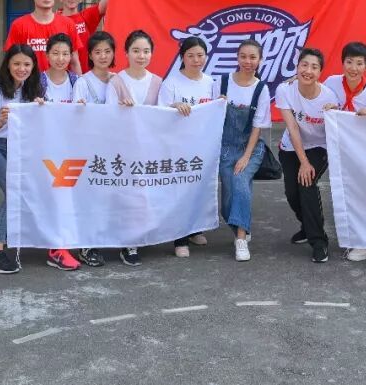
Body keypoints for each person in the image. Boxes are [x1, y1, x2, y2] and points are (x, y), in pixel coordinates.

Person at [0, 45, 63, 272]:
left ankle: (6, 245)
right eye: (16, 64)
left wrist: (41, 111)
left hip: (19, 147)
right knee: (14, 189)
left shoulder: (33, 90)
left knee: (21, 190)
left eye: (26, 64)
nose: (21, 69)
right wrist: (0, 122)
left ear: (33, 67)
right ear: (8, 65)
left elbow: (46, 123)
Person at [321, 41, 366, 264]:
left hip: (364, 153)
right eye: (349, 62)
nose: (353, 68)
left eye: (359, 63)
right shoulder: (331, 84)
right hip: (337, 151)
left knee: (364, 195)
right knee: (344, 195)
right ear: (342, 63)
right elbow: (316, 100)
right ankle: (353, 237)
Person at [275, 47, 342, 264]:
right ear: (297, 67)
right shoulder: (285, 90)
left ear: (320, 72)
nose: (308, 71)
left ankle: (319, 241)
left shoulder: (328, 96)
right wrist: (303, 161)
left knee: (307, 184)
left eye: (314, 67)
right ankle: (307, 225)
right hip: (291, 146)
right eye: (304, 65)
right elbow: (293, 128)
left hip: (319, 146)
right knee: (291, 192)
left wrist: (307, 164)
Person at [106, 30, 164, 267]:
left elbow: (163, 116)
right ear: (126, 53)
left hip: (148, 150)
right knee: (127, 196)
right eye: (136, 50)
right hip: (123, 150)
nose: (141, 56)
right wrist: (121, 109)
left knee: (145, 196)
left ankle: (140, 236)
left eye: (146, 51)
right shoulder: (116, 82)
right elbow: (108, 116)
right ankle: (128, 243)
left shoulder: (158, 82)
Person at [158, 36, 220, 258]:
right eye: (190, 55)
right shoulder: (171, 83)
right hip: (178, 147)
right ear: (182, 57)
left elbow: (214, 113)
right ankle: (179, 238)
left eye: (200, 55)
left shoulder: (210, 83)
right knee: (179, 193)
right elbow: (159, 115)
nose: (196, 60)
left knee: (198, 190)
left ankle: (194, 230)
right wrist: (174, 105)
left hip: (202, 146)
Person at [217, 39, 271, 262]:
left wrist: (246, 157)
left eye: (253, 57)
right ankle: (241, 225)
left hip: (251, 147)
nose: (248, 61)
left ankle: (241, 239)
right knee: (227, 197)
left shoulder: (261, 89)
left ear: (260, 60)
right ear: (237, 58)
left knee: (240, 180)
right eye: (243, 56)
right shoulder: (222, 82)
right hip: (224, 147)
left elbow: (258, 126)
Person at [71, 31, 118, 267]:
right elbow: (75, 118)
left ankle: (109, 239)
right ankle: (87, 245)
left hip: (114, 149)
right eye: (97, 52)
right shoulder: (83, 82)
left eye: (107, 51)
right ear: (89, 55)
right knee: (89, 198)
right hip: (89, 150)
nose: (103, 56)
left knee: (110, 198)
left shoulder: (119, 80)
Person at [37, 33, 83, 270]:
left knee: (68, 199)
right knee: (54, 198)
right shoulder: (37, 81)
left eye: (65, 54)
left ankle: (63, 245)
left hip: (70, 151)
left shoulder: (77, 82)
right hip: (44, 152)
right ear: (46, 55)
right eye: (55, 53)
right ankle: (56, 248)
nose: (60, 58)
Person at [4, 0, 82, 74]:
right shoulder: (19, 25)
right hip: (29, 81)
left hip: (59, 81)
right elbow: (11, 60)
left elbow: (74, 62)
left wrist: (80, 82)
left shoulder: (68, 24)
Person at [58, 0, 108, 74]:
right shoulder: (54, 20)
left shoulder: (85, 16)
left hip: (85, 73)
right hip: (60, 75)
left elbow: (108, 1)